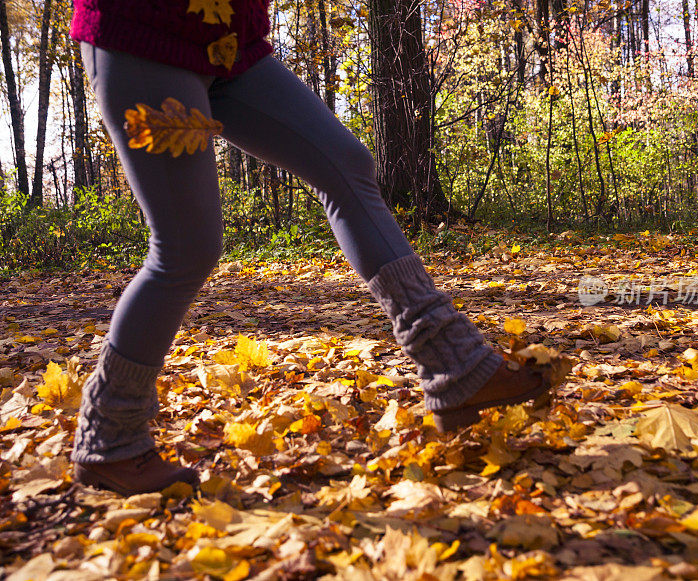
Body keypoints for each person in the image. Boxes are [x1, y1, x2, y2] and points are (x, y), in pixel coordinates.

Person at [69, 0, 568, 496]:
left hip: (232, 45)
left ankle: (454, 362)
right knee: (186, 246)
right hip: (142, 31)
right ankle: (109, 436)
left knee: (347, 166)